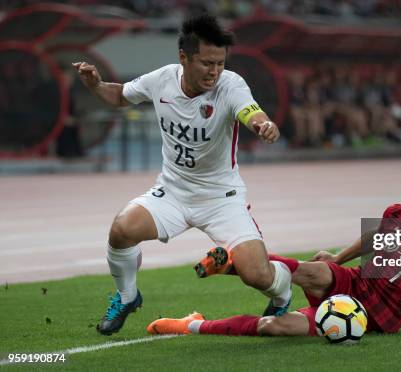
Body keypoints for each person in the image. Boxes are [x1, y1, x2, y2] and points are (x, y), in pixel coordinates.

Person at [73, 13, 292, 336]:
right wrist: (95, 85)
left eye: (219, 63)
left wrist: (264, 124)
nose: (214, 71)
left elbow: (250, 111)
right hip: (173, 193)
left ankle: (283, 292)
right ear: (183, 58)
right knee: (122, 230)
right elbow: (120, 95)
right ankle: (127, 296)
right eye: (206, 63)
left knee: (256, 274)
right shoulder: (161, 80)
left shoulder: (230, 85)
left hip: (222, 199)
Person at [147, 159, 401, 337]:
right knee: (313, 269)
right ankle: (233, 261)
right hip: (356, 282)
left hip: (377, 317)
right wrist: (338, 258)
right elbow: (374, 236)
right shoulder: (397, 213)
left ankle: (190, 324)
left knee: (273, 328)